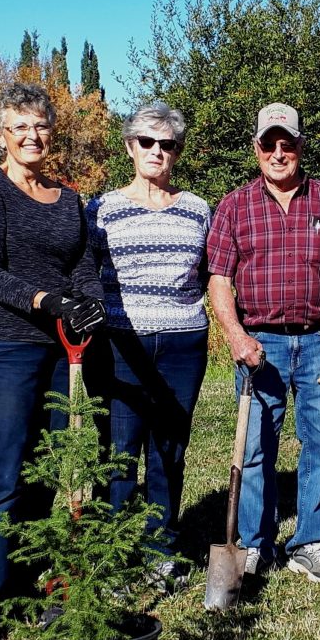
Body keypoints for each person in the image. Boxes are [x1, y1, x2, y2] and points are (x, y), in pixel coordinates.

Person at [0, 82, 105, 640]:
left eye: (40, 126)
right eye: (19, 127)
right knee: (5, 472)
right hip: (10, 345)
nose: (31, 136)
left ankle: (45, 586)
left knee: (54, 469)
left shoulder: (68, 198)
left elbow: (83, 262)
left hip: (62, 350)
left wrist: (89, 301)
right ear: (1, 135)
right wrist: (47, 301)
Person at [206, 102, 320, 583]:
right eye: (269, 143)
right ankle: (255, 544)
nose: (279, 153)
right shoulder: (235, 205)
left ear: (300, 146)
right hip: (261, 344)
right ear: (256, 147)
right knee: (256, 447)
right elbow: (218, 279)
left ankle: (310, 542)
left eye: (288, 143)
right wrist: (235, 335)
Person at [84, 102, 210, 589]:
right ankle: (114, 553)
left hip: (183, 343)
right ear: (129, 146)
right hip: (120, 345)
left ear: (178, 152)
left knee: (169, 449)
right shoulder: (102, 208)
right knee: (120, 450)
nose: (157, 151)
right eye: (147, 142)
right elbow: (85, 276)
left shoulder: (198, 208)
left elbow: (208, 274)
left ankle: (160, 548)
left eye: (168, 144)